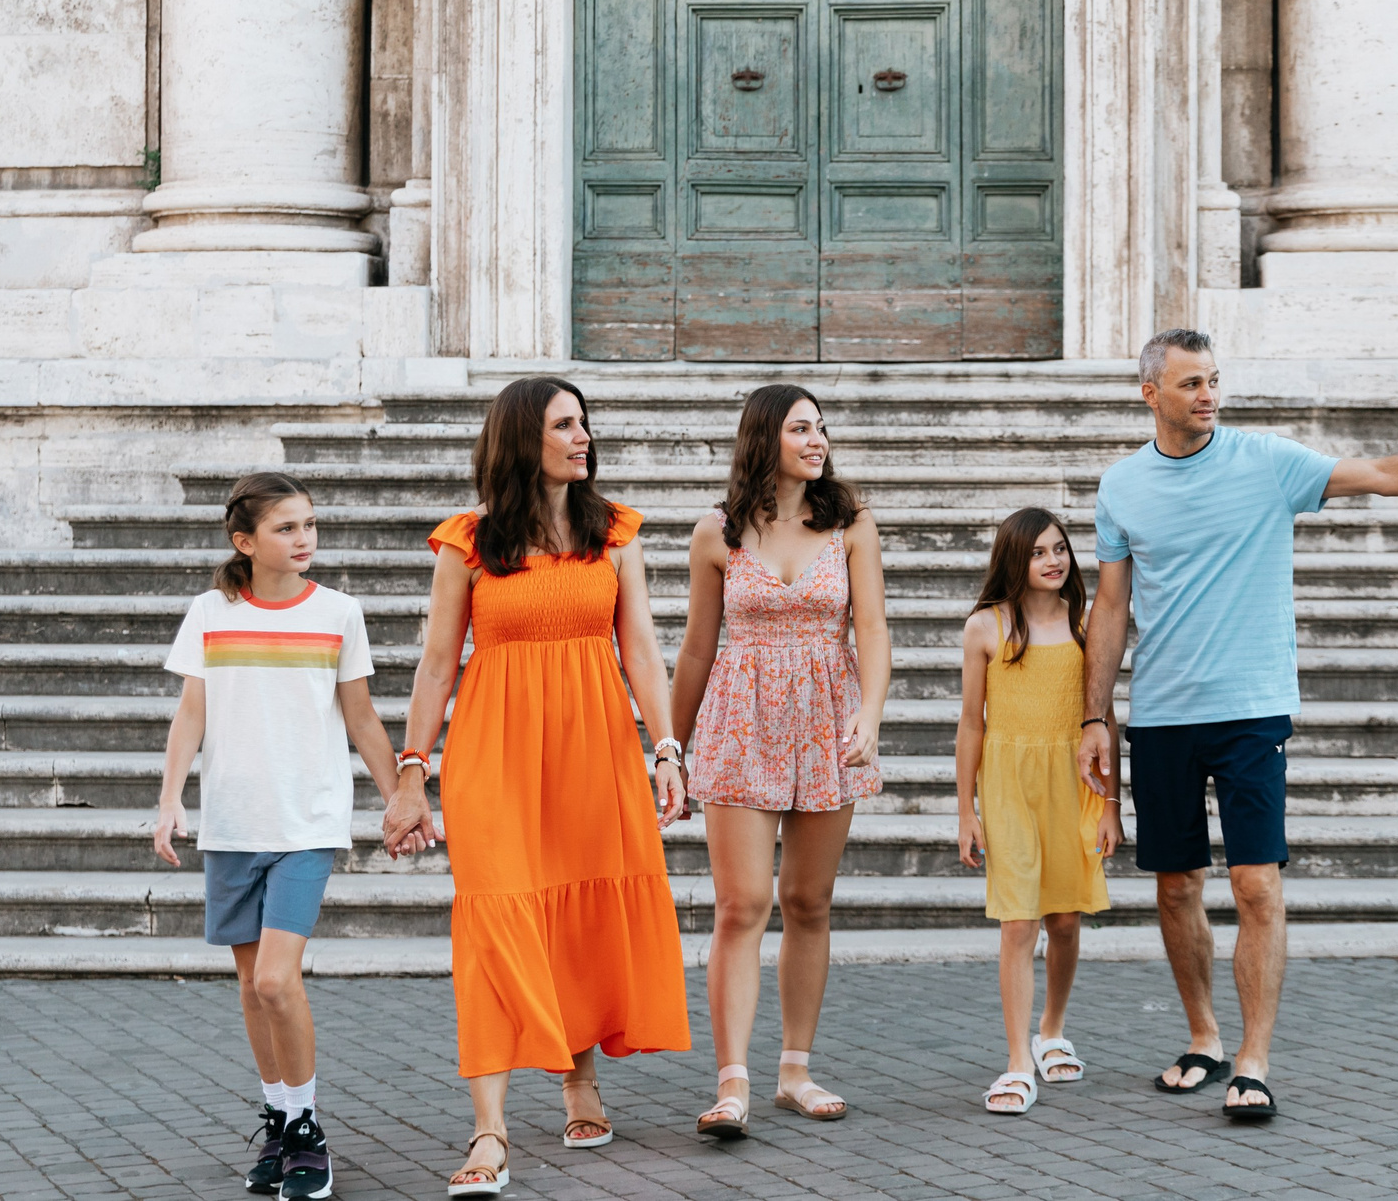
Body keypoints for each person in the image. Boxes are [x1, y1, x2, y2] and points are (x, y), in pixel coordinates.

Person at [1078, 329, 1398, 1125]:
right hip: (1162, 711)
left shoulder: (1266, 461)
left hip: (1251, 706)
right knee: (1174, 887)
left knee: (1256, 883)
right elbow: (1110, 608)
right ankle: (1203, 1034)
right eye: (1191, 382)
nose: (1208, 394)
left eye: (1214, 380)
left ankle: (1253, 1058)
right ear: (1150, 393)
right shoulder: (1122, 485)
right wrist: (1094, 715)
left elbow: (1376, 473)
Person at [381, 377, 691, 1197]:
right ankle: (490, 1128)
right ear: (525, 439)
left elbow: (645, 650)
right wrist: (412, 771)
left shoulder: (614, 532)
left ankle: (578, 1078)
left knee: (576, 907)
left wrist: (665, 748)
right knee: (496, 917)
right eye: (564, 424)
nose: (583, 435)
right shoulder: (469, 543)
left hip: (594, 747)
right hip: (495, 752)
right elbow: (438, 664)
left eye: (585, 421)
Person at [152, 471, 402, 1201]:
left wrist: (399, 801)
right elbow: (189, 714)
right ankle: (282, 1117)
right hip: (231, 823)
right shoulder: (209, 611)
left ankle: (308, 1129)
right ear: (245, 541)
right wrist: (169, 799)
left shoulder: (338, 612)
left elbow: (360, 717)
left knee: (274, 979)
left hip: (306, 821)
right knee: (250, 987)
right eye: (287, 527)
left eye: (310, 524)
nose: (305, 538)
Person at [668, 383, 893, 1140]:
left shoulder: (853, 525)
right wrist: (670, 747)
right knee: (740, 905)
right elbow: (698, 647)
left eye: (822, 428)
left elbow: (874, 633)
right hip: (740, 719)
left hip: (828, 715)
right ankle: (732, 1080)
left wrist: (868, 714)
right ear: (765, 437)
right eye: (802, 428)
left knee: (808, 901)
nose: (819, 439)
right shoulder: (716, 533)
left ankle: (794, 1068)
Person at [955, 508, 1121, 1116]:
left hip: (1071, 783)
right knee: (1019, 923)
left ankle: (1052, 1029)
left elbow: (1104, 724)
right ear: (1014, 560)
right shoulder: (986, 628)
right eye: (1039, 553)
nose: (1054, 561)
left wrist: (1111, 805)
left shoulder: (1086, 628)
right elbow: (971, 724)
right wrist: (965, 811)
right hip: (1008, 784)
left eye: (1061, 549)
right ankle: (1017, 1059)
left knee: (1066, 922)